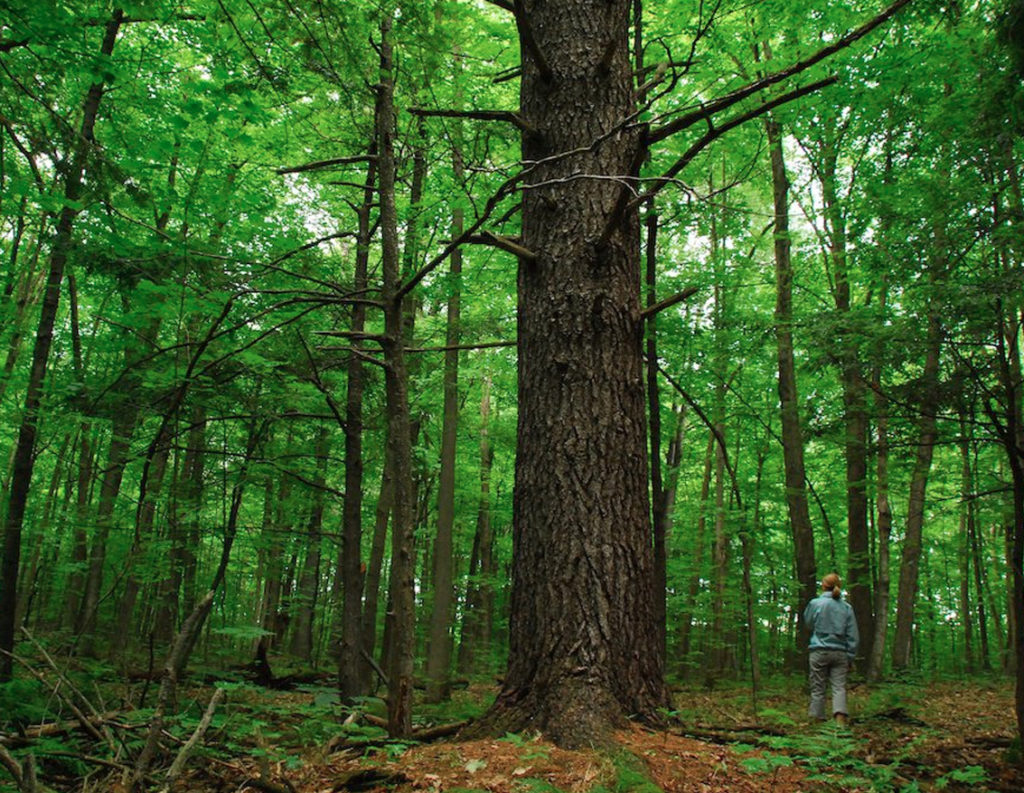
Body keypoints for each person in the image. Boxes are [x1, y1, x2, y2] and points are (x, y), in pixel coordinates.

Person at [803, 573, 858, 727]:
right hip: (840, 652)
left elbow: (808, 623)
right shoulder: (846, 607)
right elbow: (852, 634)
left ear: (823, 585)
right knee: (839, 687)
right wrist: (851, 656)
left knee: (817, 687)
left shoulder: (815, 604)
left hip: (818, 650)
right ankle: (840, 720)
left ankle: (816, 719)